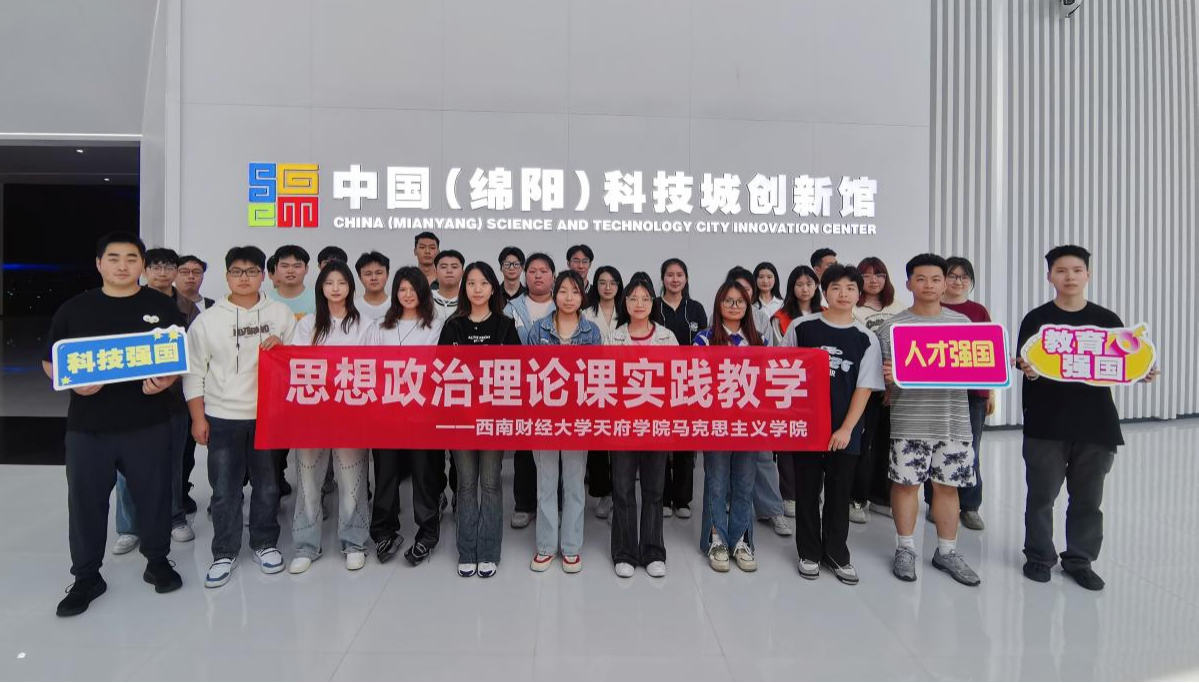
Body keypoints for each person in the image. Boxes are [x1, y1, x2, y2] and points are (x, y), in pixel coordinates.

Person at [44, 232, 186, 617]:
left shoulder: (161, 306)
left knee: (154, 495)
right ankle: (87, 576)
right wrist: (73, 382)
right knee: (86, 502)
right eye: (113, 258)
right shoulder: (76, 309)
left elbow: (177, 356)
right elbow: (50, 361)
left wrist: (166, 381)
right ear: (99, 263)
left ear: (142, 264)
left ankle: (157, 561)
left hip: (148, 422)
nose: (123, 265)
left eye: (131, 258)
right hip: (88, 427)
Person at [1014, 245, 1158, 591]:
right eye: (1062, 271)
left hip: (1096, 423)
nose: (1070, 277)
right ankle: (1039, 556)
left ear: (1088, 275)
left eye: (1077, 270)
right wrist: (1028, 370)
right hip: (1046, 422)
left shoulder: (1107, 320)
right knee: (1041, 496)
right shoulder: (1037, 320)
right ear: (1049, 276)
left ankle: (1080, 559)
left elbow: (1125, 363)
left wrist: (1141, 372)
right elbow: (1024, 363)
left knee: (1088, 499)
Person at [184, 246, 295, 589]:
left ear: (264, 275)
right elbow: (194, 372)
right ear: (226, 276)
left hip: (268, 417)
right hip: (222, 416)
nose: (244, 278)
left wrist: (284, 350)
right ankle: (224, 552)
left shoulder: (281, 314)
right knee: (224, 490)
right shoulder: (208, 320)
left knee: (268, 486)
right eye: (236, 271)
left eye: (251, 271)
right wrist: (198, 418)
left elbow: (299, 365)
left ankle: (264, 544)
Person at [878, 254, 981, 587]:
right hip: (910, 420)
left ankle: (947, 552)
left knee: (947, 487)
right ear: (908, 283)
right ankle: (905, 548)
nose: (929, 285)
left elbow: (976, 370)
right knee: (906, 485)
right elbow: (884, 384)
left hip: (953, 420)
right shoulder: (892, 328)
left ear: (945, 283)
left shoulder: (962, 325)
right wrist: (889, 378)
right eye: (920, 279)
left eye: (936, 279)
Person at [780, 264, 884, 585]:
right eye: (836, 287)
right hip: (806, 428)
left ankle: (837, 554)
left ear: (858, 293)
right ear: (824, 292)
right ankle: (809, 553)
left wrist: (846, 429)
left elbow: (864, 388)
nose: (843, 294)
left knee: (839, 494)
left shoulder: (866, 338)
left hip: (844, 430)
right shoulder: (802, 327)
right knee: (807, 492)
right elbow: (782, 371)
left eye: (850, 288)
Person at [109, 247, 197, 555]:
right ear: (145, 270)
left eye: (168, 266)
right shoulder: (126, 303)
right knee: (125, 466)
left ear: (175, 271)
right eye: (155, 267)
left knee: (172, 463)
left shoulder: (189, 308)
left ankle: (174, 518)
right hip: (129, 399)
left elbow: (194, 353)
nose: (162, 272)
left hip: (174, 399)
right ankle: (129, 527)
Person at [287, 262, 372, 574]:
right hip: (313, 414)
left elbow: (372, 366)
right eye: (329, 283)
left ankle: (354, 542)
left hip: (351, 414)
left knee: (351, 480)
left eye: (342, 282)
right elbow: (296, 365)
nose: (335, 288)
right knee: (309, 481)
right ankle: (306, 546)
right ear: (320, 288)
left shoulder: (365, 324)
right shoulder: (308, 324)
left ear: (351, 287)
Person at [440, 262, 521, 578]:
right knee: (465, 485)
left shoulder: (505, 326)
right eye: (471, 283)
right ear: (465, 288)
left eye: (483, 283)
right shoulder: (453, 325)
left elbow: (516, 371)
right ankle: (467, 551)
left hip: (492, 419)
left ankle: (488, 551)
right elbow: (441, 372)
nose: (477, 289)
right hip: (460, 420)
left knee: (490, 484)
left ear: (492, 288)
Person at [362, 267, 444, 564]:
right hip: (386, 414)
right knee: (386, 475)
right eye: (402, 289)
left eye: (413, 289)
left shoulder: (435, 325)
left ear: (423, 292)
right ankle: (384, 532)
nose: (407, 295)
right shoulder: (380, 327)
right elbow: (367, 365)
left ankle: (427, 534)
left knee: (424, 475)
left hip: (421, 413)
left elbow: (436, 366)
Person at [527, 271, 602, 574]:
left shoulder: (591, 332)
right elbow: (529, 374)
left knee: (573, 484)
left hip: (577, 418)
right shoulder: (538, 329)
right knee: (545, 484)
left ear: (583, 296)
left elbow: (596, 375)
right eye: (563, 291)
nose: (568, 298)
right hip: (544, 417)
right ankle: (546, 546)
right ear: (554, 294)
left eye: (575, 292)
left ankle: (571, 547)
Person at [607, 273, 675, 579]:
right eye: (633, 298)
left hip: (657, 424)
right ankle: (624, 552)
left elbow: (677, 380)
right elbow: (605, 381)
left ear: (652, 303)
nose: (639, 304)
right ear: (625, 303)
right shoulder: (614, 337)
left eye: (645, 298)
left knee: (654, 490)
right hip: (623, 424)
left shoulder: (667, 337)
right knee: (622, 489)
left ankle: (653, 551)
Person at [696, 280, 762, 573]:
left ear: (747, 306)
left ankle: (741, 540)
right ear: (718, 304)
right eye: (728, 301)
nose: (734, 306)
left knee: (745, 484)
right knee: (717, 482)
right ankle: (716, 539)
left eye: (740, 301)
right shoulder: (704, 338)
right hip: (716, 423)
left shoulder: (758, 340)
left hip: (750, 425)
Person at [924, 256, 994, 531]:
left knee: (970, 449)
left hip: (972, 393)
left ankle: (970, 506)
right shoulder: (931, 309)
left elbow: (989, 352)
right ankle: (934, 502)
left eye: (964, 277)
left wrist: (990, 393)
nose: (958, 281)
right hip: (936, 392)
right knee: (935, 448)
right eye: (952, 276)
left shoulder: (978, 311)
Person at [727, 269, 791, 538]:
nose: (740, 296)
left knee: (763, 456)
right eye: (735, 290)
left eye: (746, 290)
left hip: (754, 395)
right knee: (726, 453)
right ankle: (729, 501)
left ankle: (772, 510)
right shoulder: (716, 319)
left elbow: (770, 358)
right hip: (725, 396)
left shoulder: (762, 318)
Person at [852, 256, 908, 524]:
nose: (873, 280)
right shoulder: (853, 307)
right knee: (863, 444)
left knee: (888, 444)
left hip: (896, 386)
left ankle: (881, 497)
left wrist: (892, 383)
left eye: (879, 275)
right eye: (867, 275)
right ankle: (856, 498)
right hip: (865, 384)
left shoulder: (899, 307)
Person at [502, 253, 557, 529]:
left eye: (543, 271)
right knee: (524, 449)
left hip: (557, 389)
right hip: (523, 387)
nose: (537, 275)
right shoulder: (511, 308)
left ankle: (554, 503)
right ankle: (524, 504)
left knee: (555, 449)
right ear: (525, 275)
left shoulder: (564, 304)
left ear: (553, 277)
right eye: (533, 271)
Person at [655, 258, 707, 518]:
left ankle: (682, 499)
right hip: (657, 383)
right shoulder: (654, 306)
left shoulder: (696, 308)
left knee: (686, 439)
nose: (674, 279)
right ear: (662, 278)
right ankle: (663, 498)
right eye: (670, 274)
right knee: (661, 439)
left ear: (686, 278)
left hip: (689, 382)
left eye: (679, 275)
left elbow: (705, 344)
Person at [771, 264, 825, 518]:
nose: (805, 289)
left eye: (809, 284)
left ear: (816, 287)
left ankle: (813, 492)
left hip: (820, 387)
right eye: (799, 284)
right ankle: (789, 494)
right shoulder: (781, 317)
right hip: (789, 385)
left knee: (816, 441)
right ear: (792, 288)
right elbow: (777, 354)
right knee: (788, 442)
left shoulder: (827, 314)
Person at [174, 254, 214, 515]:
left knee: (201, 447)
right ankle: (175, 499)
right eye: (185, 271)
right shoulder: (165, 306)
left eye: (196, 272)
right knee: (178, 448)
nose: (191, 276)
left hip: (208, 389)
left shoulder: (213, 306)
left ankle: (186, 492)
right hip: (172, 390)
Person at [583, 266, 623, 521]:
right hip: (594, 383)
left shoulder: (627, 312)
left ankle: (620, 494)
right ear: (595, 285)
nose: (607, 287)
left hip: (623, 385)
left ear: (619, 286)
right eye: (602, 282)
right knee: (598, 443)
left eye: (612, 283)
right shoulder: (585, 313)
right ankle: (603, 494)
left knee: (618, 443)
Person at [267, 245, 315, 319]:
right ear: (276, 268)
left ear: (306, 269)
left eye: (297, 266)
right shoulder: (265, 299)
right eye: (284, 266)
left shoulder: (318, 299)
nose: (290, 271)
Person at [355, 251, 392, 322]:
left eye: (379, 273)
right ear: (360, 277)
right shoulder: (353, 308)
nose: (374, 278)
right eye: (368, 274)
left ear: (387, 275)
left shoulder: (397, 305)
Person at [432, 250, 464, 322]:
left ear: (463, 273)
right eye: (443, 267)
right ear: (435, 272)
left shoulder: (470, 300)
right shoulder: (425, 299)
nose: (449, 271)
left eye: (454, 267)